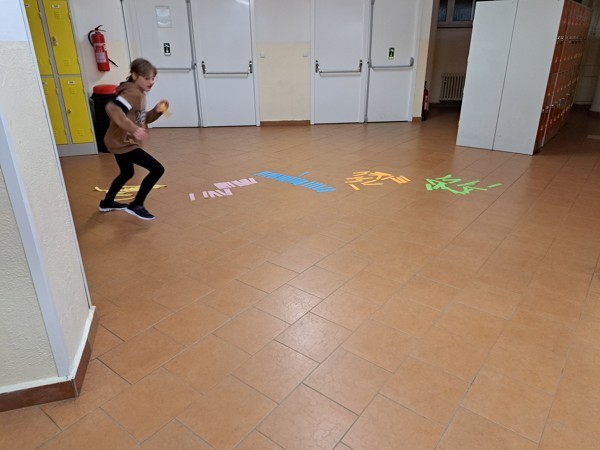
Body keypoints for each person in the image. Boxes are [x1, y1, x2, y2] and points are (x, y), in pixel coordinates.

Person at [99, 58, 168, 221]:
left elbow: (141, 119)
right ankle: (137, 204)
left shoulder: (139, 93)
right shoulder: (132, 93)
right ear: (135, 76)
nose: (151, 82)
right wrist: (133, 129)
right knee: (157, 169)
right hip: (124, 144)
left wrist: (157, 111)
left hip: (118, 141)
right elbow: (112, 108)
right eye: (147, 78)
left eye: (153, 78)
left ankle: (107, 202)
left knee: (127, 172)